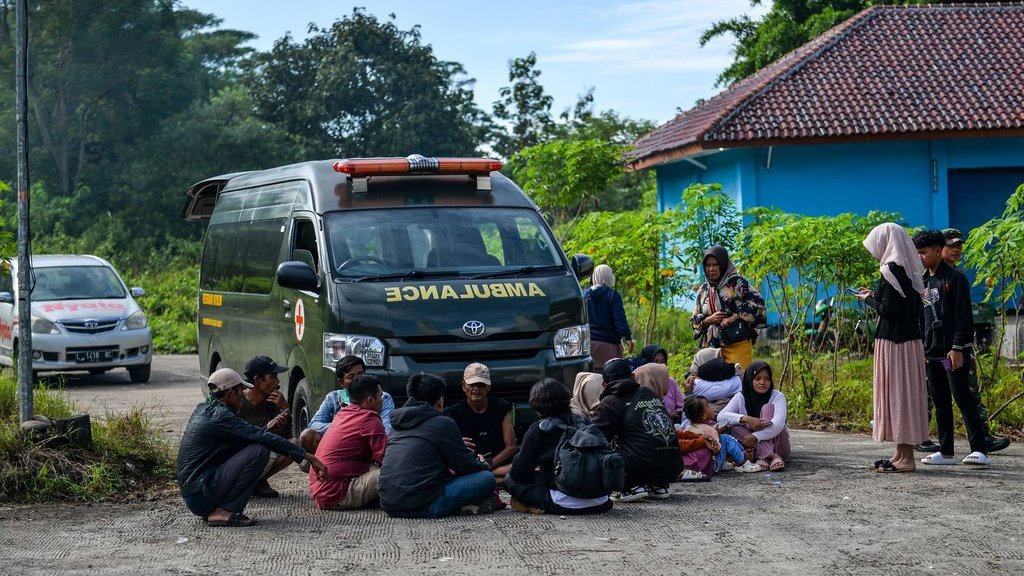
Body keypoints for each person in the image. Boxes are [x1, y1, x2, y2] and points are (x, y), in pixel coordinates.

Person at [176, 368, 328, 527]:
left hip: (194, 494)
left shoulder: (204, 409)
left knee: (257, 446)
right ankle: (225, 510)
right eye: (241, 391)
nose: (243, 396)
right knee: (259, 452)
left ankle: (220, 509)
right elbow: (259, 439)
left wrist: (267, 429)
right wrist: (310, 458)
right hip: (201, 494)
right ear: (231, 392)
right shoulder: (222, 416)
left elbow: (249, 437)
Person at [915, 228, 1009, 454]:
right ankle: (946, 451)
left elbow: (963, 318)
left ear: (938, 251)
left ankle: (978, 448)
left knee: (963, 399)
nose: (920, 257)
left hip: (952, 352)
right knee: (940, 403)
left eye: (924, 252)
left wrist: (957, 347)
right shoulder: (923, 281)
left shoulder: (955, 279)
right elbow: (922, 319)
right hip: (932, 353)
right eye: (917, 253)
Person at [856, 222, 929, 473]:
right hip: (905, 342)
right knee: (902, 395)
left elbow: (890, 310)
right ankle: (900, 453)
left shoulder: (891, 270)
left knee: (900, 396)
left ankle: (907, 458)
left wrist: (869, 300)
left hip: (896, 344)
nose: (875, 251)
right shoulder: (906, 269)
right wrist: (875, 297)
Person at [379, 373, 496, 518]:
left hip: (389, 504)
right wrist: (483, 464)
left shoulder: (396, 424)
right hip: (421, 505)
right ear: (439, 400)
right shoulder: (443, 423)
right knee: (487, 478)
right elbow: (465, 465)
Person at [504, 378, 614, 515]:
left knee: (509, 481)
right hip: (601, 501)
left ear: (536, 405)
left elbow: (519, 473)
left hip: (563, 503)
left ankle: (533, 503)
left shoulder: (538, 430)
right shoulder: (585, 422)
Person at [592, 358, 682, 502]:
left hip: (639, 467)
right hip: (674, 467)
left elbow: (594, 435)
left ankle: (630, 487)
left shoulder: (610, 402)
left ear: (604, 385)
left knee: (600, 447)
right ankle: (658, 485)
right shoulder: (650, 393)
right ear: (633, 376)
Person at [309, 374, 388, 510]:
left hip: (321, 490)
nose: (382, 400)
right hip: (337, 493)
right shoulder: (370, 419)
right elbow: (386, 459)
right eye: (380, 396)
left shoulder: (344, 413)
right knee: (394, 470)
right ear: (370, 400)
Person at [300, 356, 395, 457]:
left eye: (360, 374)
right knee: (307, 435)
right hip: (340, 446)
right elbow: (314, 424)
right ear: (341, 382)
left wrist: (359, 430)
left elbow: (387, 429)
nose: (357, 379)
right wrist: (346, 429)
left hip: (368, 445)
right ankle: (321, 465)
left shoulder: (382, 397)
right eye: (351, 376)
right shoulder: (333, 398)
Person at [692, 246, 765, 367]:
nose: (711, 269)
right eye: (708, 265)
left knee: (738, 382)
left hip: (737, 343)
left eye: (715, 264)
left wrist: (735, 317)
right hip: (711, 348)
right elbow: (694, 319)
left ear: (723, 264)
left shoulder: (738, 284)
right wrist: (709, 320)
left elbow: (759, 306)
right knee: (712, 384)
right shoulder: (704, 290)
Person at [444, 363, 517, 481]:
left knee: (521, 467)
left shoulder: (501, 407)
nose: (476, 389)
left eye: (481, 385)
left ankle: (487, 475)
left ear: (488, 387)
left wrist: (488, 465)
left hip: (498, 464)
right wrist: (456, 442)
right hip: (469, 466)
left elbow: (511, 447)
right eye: (472, 384)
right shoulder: (453, 413)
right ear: (463, 386)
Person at [718, 361, 791, 472]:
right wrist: (746, 419)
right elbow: (721, 417)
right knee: (735, 427)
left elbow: (778, 425)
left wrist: (756, 436)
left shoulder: (777, 396)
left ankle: (771, 456)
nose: (762, 382)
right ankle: (769, 457)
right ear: (749, 380)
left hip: (779, 446)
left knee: (768, 408)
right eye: (757, 379)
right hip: (753, 450)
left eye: (767, 379)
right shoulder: (741, 397)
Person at [237, 355, 293, 498]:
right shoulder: (238, 401)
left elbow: (286, 438)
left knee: (295, 444)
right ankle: (244, 483)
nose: (278, 382)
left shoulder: (272, 401)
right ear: (257, 379)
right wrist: (267, 429)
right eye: (273, 376)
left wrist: (285, 410)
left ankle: (258, 480)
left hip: (263, 455)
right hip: (241, 459)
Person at [682, 395, 761, 475]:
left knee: (724, 440)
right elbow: (717, 448)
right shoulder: (708, 429)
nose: (712, 408)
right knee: (726, 439)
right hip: (712, 465)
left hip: (701, 463)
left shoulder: (688, 428)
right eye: (709, 407)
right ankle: (742, 462)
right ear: (703, 416)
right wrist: (718, 432)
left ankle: (726, 461)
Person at [584, 264, 634, 369]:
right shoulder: (612, 295)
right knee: (612, 376)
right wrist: (627, 337)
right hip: (609, 345)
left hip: (588, 345)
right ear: (609, 276)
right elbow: (619, 319)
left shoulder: (584, 295)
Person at [684, 347, 743, 416]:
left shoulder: (726, 391)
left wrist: (689, 394)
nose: (695, 378)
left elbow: (701, 413)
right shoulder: (731, 379)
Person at [634, 345, 686, 421]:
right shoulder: (638, 383)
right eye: (655, 361)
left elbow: (683, 406)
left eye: (663, 361)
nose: (660, 365)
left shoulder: (670, 382)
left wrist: (676, 413)